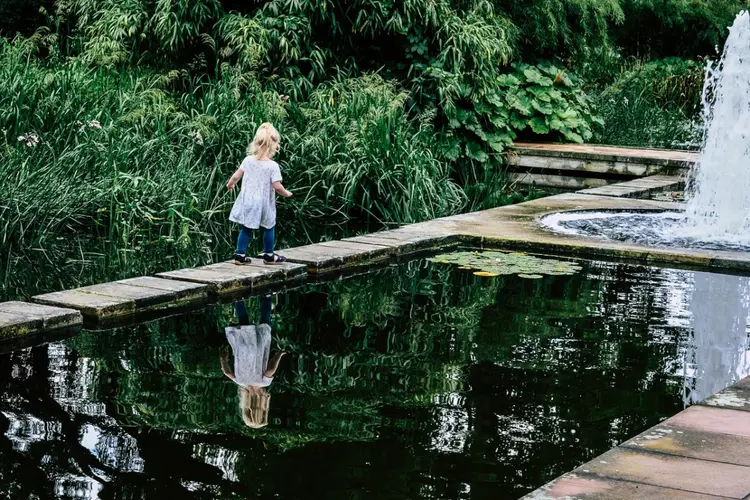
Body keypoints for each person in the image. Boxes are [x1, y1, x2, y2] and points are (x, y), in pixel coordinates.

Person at [226, 122, 293, 265]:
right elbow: (277, 185)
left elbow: (236, 176)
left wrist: (230, 184)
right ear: (272, 146)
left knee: (246, 227)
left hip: (248, 200)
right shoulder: (272, 166)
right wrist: (286, 193)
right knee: (269, 226)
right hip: (263, 203)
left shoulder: (248, 160)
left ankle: (240, 254)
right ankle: (269, 255)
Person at [220, 297, 285, 429]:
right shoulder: (240, 382)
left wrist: (278, 355)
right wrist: (223, 359)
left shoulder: (264, 382)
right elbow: (226, 372)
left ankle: (267, 296)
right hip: (243, 348)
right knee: (243, 320)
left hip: (259, 348)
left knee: (265, 321)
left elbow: (270, 370)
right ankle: (238, 299)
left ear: (263, 408)